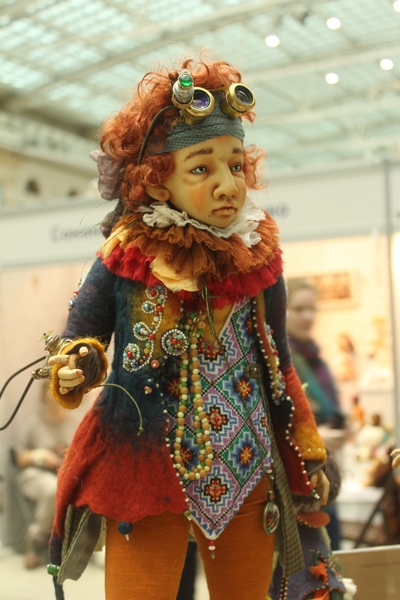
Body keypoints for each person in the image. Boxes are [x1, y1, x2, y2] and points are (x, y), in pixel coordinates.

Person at [45, 57, 331, 600]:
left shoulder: (260, 257)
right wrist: (75, 365)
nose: (228, 186)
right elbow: (81, 338)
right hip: (143, 469)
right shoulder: (124, 256)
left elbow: (279, 365)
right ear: (156, 184)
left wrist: (307, 448)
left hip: (247, 469)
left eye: (235, 166)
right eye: (201, 170)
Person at [285, 278, 347, 551]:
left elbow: (331, 411)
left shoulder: (317, 360)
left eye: (312, 308)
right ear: (282, 309)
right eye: (299, 309)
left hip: (324, 472)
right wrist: (316, 436)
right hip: (297, 481)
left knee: (329, 552)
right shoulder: (279, 360)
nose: (308, 316)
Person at [13, 383, 78, 569]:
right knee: (53, 489)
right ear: (44, 396)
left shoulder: (75, 423)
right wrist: (40, 456)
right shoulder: (33, 423)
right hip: (37, 475)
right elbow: (19, 457)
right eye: (51, 392)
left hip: (67, 475)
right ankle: (36, 543)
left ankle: (84, 545)